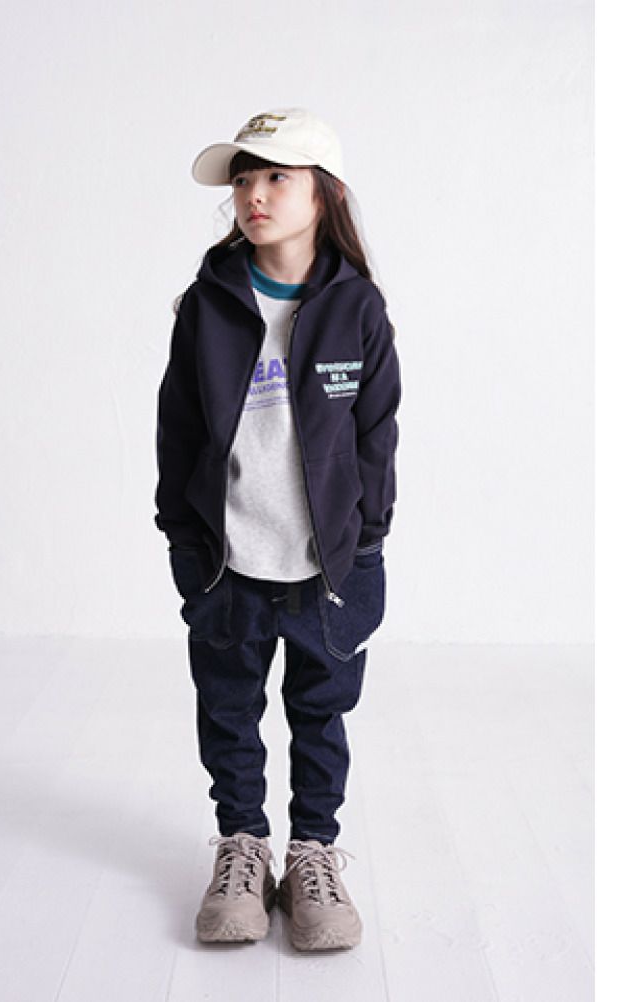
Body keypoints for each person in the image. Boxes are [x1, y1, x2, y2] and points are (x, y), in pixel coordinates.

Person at [153, 107, 401, 951]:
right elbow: (177, 430)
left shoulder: (357, 309)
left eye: (276, 177)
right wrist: (185, 543)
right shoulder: (207, 306)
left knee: (321, 716)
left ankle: (313, 855)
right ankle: (243, 849)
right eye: (243, 180)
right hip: (228, 564)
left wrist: (367, 542)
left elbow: (377, 434)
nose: (253, 195)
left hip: (330, 567)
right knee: (228, 711)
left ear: (324, 195)